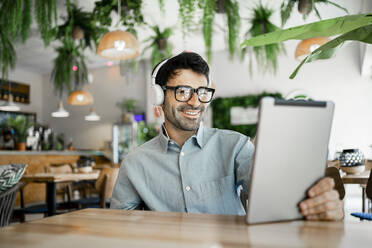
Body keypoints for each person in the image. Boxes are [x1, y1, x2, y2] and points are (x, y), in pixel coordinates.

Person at [111, 52, 343, 220]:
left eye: (202, 92)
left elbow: (277, 197)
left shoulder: (236, 146)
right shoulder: (135, 163)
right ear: (159, 96)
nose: (195, 102)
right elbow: (117, 226)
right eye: (183, 91)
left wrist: (315, 202)